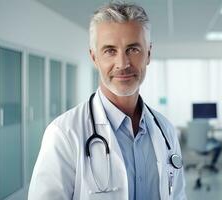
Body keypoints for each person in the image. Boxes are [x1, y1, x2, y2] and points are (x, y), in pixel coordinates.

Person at [28, 2, 186, 200]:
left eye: (133, 49)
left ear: (148, 54)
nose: (123, 64)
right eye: (110, 51)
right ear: (94, 58)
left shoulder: (166, 131)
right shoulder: (64, 134)